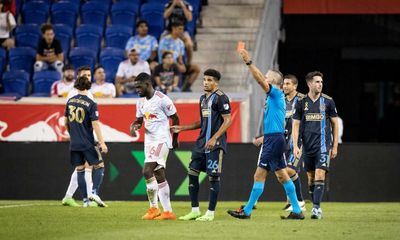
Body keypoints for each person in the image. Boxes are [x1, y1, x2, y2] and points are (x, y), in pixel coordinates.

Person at [227, 49, 304, 220]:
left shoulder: (276, 93)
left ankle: (246, 211)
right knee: (281, 175)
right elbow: (262, 77)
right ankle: (297, 210)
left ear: (273, 81)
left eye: (267, 76)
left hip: (274, 140)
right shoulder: (275, 95)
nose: (264, 77)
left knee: (260, 174)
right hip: (275, 138)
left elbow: (260, 79)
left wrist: (249, 62)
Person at [171, 69, 232, 221]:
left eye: (209, 80)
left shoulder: (221, 98)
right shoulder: (202, 99)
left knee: (213, 177)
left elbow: (227, 120)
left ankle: (210, 213)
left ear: (216, 82)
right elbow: (202, 122)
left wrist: (214, 138)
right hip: (201, 143)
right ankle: (195, 210)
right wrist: (182, 128)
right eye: (204, 79)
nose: (206, 82)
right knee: (192, 174)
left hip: (215, 144)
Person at [130, 72, 180, 220]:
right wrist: (134, 126)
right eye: (136, 87)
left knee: (147, 171)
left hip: (161, 140)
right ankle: (168, 212)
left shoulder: (163, 100)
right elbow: (139, 119)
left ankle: (154, 208)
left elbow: (175, 118)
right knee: (159, 175)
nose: (137, 90)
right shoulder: (140, 102)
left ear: (148, 84)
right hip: (149, 141)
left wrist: (176, 138)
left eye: (139, 87)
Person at [292, 71, 339, 219]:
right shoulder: (301, 103)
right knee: (310, 178)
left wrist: (335, 145)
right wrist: (295, 146)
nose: (320, 84)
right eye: (317, 82)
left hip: (323, 146)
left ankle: (316, 208)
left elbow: (335, 124)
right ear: (309, 84)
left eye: (321, 82)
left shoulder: (328, 101)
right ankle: (314, 205)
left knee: (320, 174)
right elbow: (296, 125)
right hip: (307, 147)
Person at [64, 76, 108, 207]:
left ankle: (85, 201)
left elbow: (66, 123)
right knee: (99, 165)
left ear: (76, 86)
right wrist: (102, 142)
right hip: (87, 142)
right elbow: (96, 124)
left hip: (74, 143)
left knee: (80, 171)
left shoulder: (70, 101)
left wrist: (73, 135)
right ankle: (94, 193)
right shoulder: (91, 103)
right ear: (88, 87)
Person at [62, 66, 95, 207]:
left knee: (81, 167)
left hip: (84, 134)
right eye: (85, 75)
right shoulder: (73, 94)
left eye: (89, 75)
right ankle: (89, 199)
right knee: (88, 166)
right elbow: (69, 118)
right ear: (78, 77)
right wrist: (75, 135)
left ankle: (68, 197)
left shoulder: (89, 94)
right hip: (82, 136)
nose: (88, 77)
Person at [281, 74, 306, 211]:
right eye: (284, 83)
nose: (285, 86)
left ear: (295, 86)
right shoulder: (281, 100)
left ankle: (300, 200)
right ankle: (293, 201)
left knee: (290, 170)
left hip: (299, 142)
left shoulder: (303, 100)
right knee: (285, 172)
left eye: (288, 84)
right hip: (283, 142)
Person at [158, 22, 200, 92]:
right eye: (180, 29)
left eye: (182, 29)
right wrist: (176, 64)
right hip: (165, 64)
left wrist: (182, 64)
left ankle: (186, 88)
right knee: (177, 67)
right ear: (173, 28)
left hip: (176, 64)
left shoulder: (180, 42)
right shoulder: (165, 40)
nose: (182, 31)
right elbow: (163, 53)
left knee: (196, 68)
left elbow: (180, 57)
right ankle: (174, 87)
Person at [163, 0, 194, 64]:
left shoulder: (187, 5)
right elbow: (165, 16)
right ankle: (162, 63)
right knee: (161, 42)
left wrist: (183, 6)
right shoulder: (168, 4)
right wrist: (173, 5)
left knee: (189, 45)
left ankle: (189, 63)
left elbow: (189, 18)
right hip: (170, 30)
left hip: (182, 31)